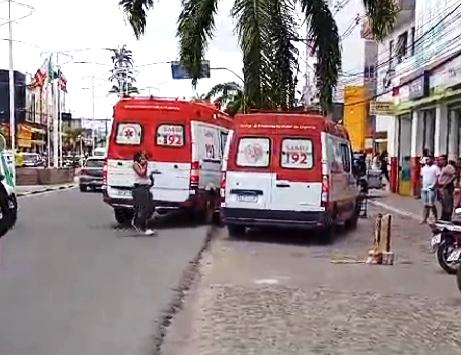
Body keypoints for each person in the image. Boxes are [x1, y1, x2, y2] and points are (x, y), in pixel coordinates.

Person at [132, 151, 156, 236]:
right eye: (142, 158)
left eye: (145, 158)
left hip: (146, 188)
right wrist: (145, 166)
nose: (144, 160)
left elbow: (149, 175)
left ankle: (137, 221)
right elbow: (142, 174)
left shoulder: (146, 166)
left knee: (151, 207)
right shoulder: (135, 165)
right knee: (143, 208)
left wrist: (152, 182)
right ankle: (142, 227)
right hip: (139, 188)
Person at [419, 156, 440, 224]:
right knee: (425, 204)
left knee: (431, 204)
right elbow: (421, 177)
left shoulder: (435, 168)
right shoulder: (424, 168)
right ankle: (424, 218)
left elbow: (437, 177)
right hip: (424, 188)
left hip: (432, 188)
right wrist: (421, 184)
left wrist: (434, 185)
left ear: (432, 160)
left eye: (429, 159)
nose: (428, 161)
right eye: (426, 159)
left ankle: (435, 218)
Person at [437, 154, 456, 221]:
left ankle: (447, 217)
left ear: (445, 160)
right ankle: (444, 216)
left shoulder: (449, 167)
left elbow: (454, 175)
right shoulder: (442, 168)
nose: (439, 161)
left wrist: (448, 183)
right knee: (443, 203)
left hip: (446, 188)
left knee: (447, 202)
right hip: (441, 187)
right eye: (439, 160)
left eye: (441, 160)